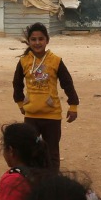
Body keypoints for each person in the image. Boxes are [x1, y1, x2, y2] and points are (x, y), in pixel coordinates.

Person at [12, 22, 79, 170]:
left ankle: (53, 183)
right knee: (30, 150)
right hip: (31, 116)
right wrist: (20, 104)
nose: (37, 43)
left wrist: (73, 106)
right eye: (33, 39)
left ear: (47, 40)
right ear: (29, 41)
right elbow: (17, 83)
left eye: (41, 39)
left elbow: (67, 83)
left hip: (52, 116)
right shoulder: (24, 61)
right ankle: (33, 181)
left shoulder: (56, 61)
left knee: (51, 152)